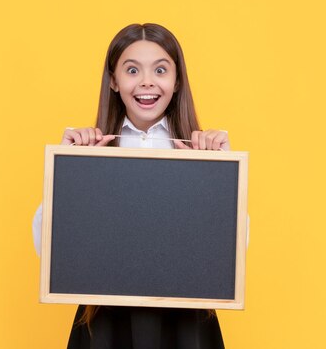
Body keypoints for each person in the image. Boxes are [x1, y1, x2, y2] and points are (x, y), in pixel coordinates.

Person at [33, 23, 230, 349]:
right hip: (107, 322)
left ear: (177, 80)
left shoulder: (202, 154)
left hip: (185, 324)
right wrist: (68, 169)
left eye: (161, 69)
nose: (147, 82)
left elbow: (231, 254)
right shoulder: (90, 153)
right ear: (113, 80)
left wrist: (221, 175)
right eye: (132, 70)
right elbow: (48, 248)